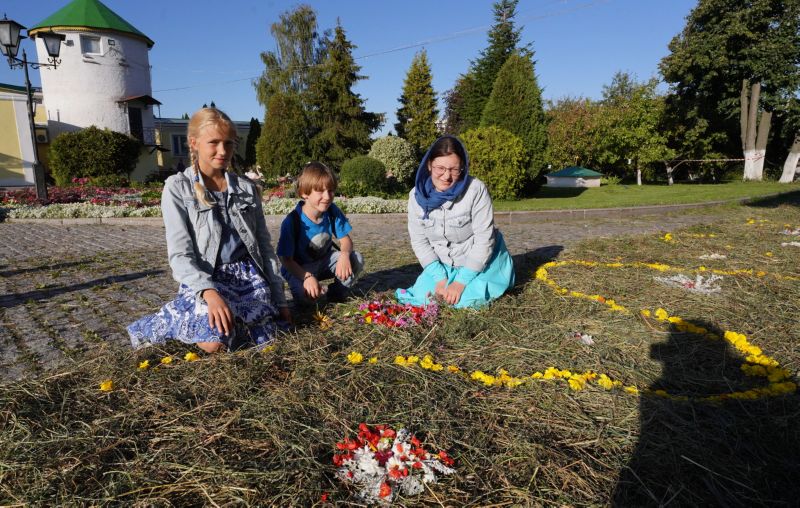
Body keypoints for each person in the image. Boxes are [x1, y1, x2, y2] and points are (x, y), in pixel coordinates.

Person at [128, 107, 290, 352]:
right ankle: (169, 320)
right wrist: (210, 293)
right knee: (214, 342)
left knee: (261, 336)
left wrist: (280, 300)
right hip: (205, 279)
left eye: (228, 143)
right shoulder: (178, 187)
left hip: (247, 280)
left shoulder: (246, 189)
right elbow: (180, 255)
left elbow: (265, 247)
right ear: (193, 143)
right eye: (214, 142)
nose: (223, 151)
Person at [396, 135, 515, 308]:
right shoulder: (415, 197)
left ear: (462, 168)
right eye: (440, 168)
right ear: (429, 165)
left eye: (454, 169)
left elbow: (484, 239)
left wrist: (460, 282)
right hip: (443, 266)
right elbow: (419, 241)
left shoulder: (476, 190)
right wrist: (440, 278)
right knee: (425, 298)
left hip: (480, 263)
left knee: (463, 302)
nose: (446, 176)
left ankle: (497, 278)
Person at [277, 161, 364, 304]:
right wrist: (307, 277)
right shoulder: (292, 221)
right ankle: (313, 290)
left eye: (330, 190)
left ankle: (336, 292)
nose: (327, 196)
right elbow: (286, 260)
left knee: (356, 259)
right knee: (306, 300)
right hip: (299, 268)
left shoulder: (332, 211)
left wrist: (344, 254)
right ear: (304, 193)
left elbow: (346, 240)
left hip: (324, 262)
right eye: (320, 191)